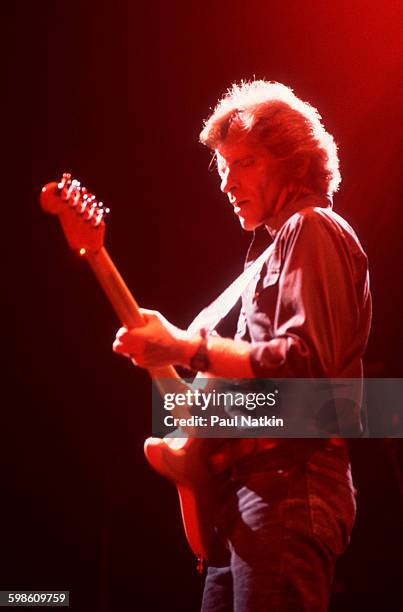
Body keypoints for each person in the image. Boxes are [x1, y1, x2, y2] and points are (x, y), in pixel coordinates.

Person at [113, 81, 371, 611]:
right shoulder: (264, 258)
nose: (227, 183)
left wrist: (186, 347)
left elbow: (303, 367)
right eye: (223, 168)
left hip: (287, 486)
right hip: (244, 496)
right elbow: (262, 397)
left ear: (295, 162)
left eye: (245, 163)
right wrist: (180, 374)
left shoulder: (313, 226)